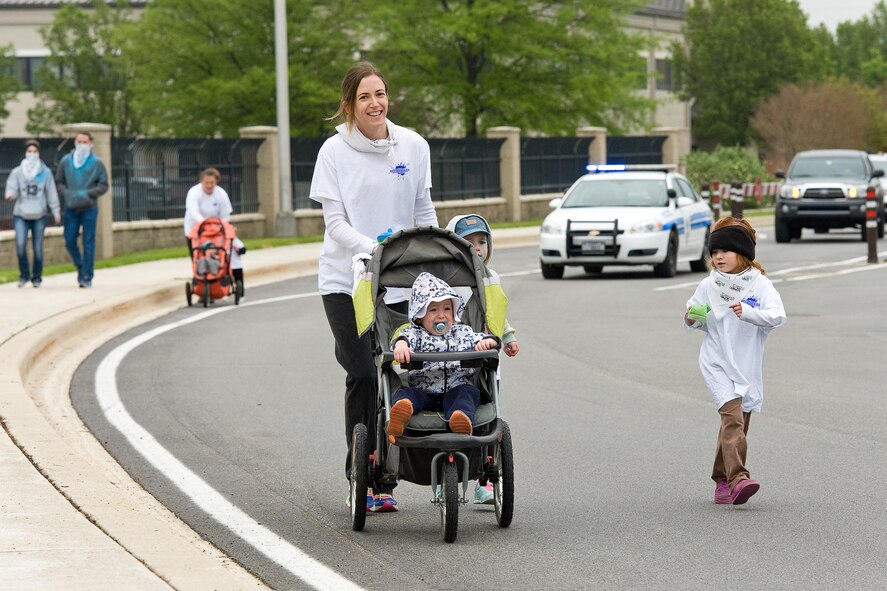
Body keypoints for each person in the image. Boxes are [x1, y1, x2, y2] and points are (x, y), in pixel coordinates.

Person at [309, 61, 437, 513]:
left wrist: (435, 262)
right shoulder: (334, 152)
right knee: (363, 372)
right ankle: (360, 475)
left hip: (401, 284)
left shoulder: (413, 146)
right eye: (364, 97)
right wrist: (373, 248)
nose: (374, 103)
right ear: (349, 104)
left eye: (380, 93)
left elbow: (424, 212)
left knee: (404, 370)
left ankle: (399, 469)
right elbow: (335, 224)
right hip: (347, 281)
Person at [684, 217, 786, 506]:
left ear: (742, 253)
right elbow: (696, 316)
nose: (718, 257)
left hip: (746, 364)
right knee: (732, 419)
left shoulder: (759, 284)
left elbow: (778, 316)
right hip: (716, 362)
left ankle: (721, 480)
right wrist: (692, 317)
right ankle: (739, 478)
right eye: (714, 252)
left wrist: (749, 312)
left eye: (725, 251)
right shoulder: (708, 284)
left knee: (739, 424)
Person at [446, 213, 519, 504]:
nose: (477, 248)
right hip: (450, 364)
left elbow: (498, 314)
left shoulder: (491, 279)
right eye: (468, 242)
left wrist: (509, 336)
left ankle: (485, 480)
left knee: (486, 420)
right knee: (449, 418)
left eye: (481, 241)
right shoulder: (447, 281)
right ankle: (444, 478)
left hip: (485, 363)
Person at [386, 272, 499, 442]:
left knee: (468, 393)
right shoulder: (416, 333)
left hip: (457, 387)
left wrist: (488, 342)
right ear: (420, 316)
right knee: (407, 394)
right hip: (423, 389)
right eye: (433, 310)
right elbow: (403, 338)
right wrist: (401, 346)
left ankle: (459, 419)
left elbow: (481, 338)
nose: (441, 315)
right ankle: (402, 411)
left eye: (447, 308)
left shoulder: (462, 332)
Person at [4, 139, 61, 288]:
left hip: (39, 215)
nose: (32, 154)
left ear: (39, 153)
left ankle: (36, 277)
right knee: (21, 245)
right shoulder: (18, 172)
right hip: (21, 214)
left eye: (35, 152)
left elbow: (51, 193)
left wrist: (56, 210)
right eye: (29, 151)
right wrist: (10, 194)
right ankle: (24, 275)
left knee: (37, 248)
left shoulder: (45, 172)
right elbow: (12, 188)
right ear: (25, 153)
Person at [55, 131, 109, 288]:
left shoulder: (96, 163)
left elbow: (103, 185)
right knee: (70, 240)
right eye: (79, 141)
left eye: (85, 142)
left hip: (89, 208)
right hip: (71, 208)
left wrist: (89, 194)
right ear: (75, 142)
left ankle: (87, 275)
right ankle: (80, 265)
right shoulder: (66, 161)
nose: (82, 145)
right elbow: (59, 181)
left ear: (90, 143)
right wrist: (66, 193)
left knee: (88, 242)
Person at [184, 168, 244, 292]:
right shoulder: (194, 192)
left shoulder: (220, 194)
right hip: (196, 232)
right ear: (202, 182)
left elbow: (225, 215)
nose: (209, 186)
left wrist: (219, 227)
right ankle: (201, 285)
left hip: (216, 233)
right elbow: (194, 212)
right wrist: (206, 225)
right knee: (198, 256)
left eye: (212, 183)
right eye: (207, 183)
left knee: (219, 257)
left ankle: (216, 284)